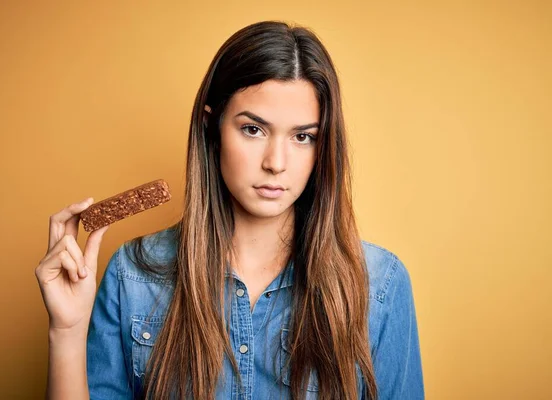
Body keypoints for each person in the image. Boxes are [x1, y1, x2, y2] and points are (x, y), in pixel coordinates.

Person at [35, 20, 424, 400]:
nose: (276, 162)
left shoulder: (379, 286)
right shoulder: (132, 276)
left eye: (303, 137)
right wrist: (66, 331)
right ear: (212, 127)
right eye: (253, 129)